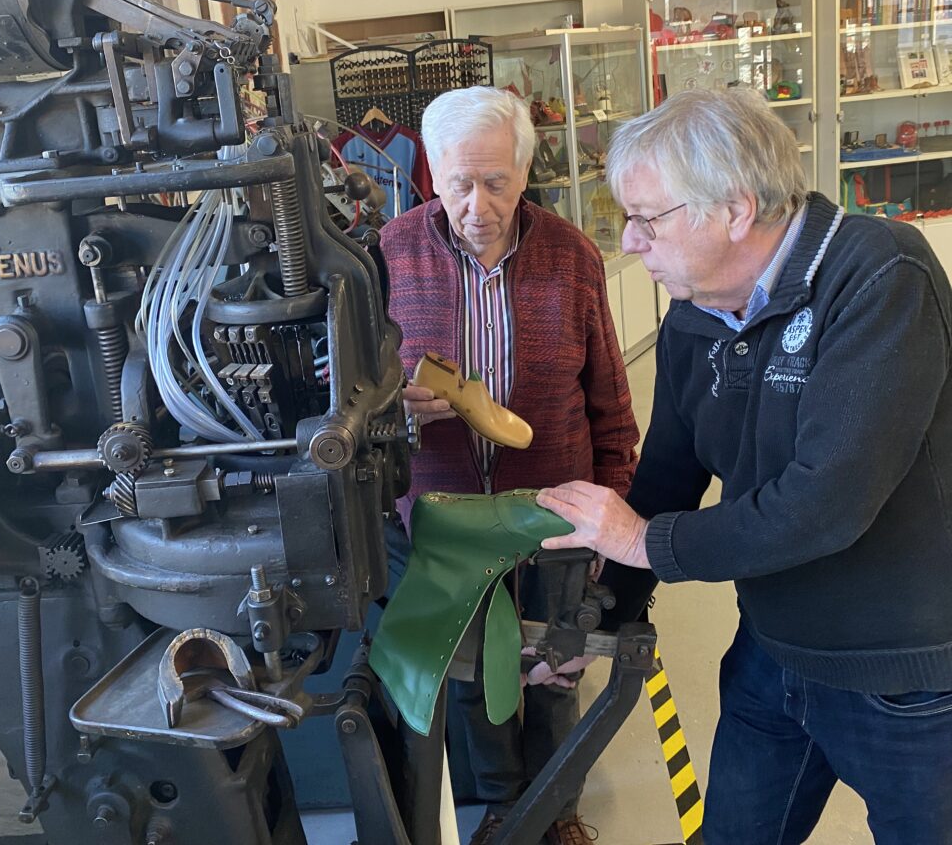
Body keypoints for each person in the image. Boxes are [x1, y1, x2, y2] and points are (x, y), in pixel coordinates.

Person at [537, 88, 952, 845]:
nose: (630, 242)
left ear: (733, 208)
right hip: (773, 646)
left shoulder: (880, 274)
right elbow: (667, 474)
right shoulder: (697, 308)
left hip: (902, 673)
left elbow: (828, 501)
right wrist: (595, 624)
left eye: (647, 219)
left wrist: (646, 543)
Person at [379, 85, 639, 845]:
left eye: (496, 181)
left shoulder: (572, 256)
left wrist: (611, 522)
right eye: (459, 182)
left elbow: (611, 404)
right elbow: (351, 398)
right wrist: (399, 409)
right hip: (443, 517)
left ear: (526, 172)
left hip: (554, 509)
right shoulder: (391, 252)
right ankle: (499, 808)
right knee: (473, 675)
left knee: (555, 665)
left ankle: (555, 812)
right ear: (432, 173)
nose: (478, 203)